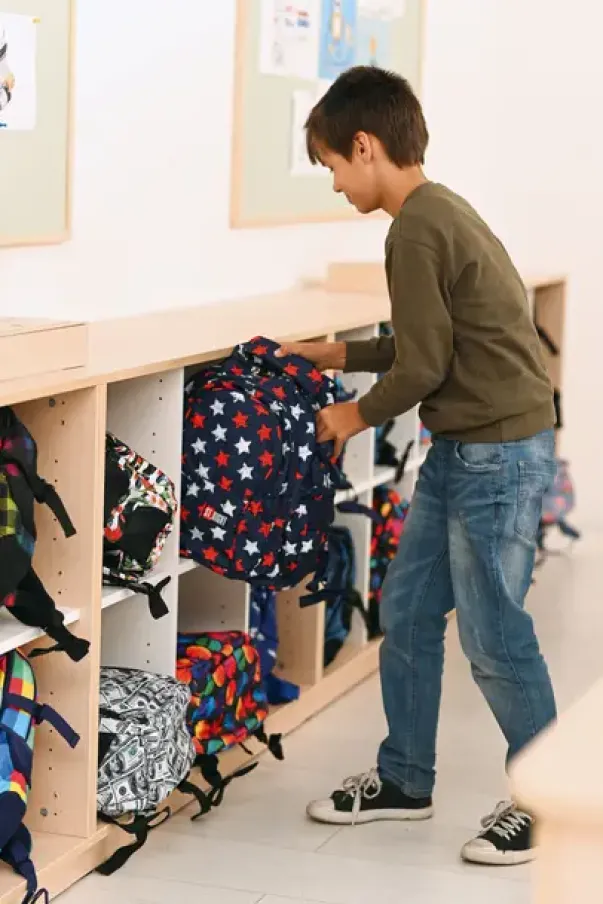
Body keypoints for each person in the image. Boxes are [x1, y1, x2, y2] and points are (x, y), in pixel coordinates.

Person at [276, 65, 556, 866]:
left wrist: (348, 414)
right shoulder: (439, 211)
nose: (335, 183)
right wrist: (341, 354)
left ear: (365, 146)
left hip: (494, 455)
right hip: (466, 448)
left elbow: (423, 367)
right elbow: (435, 341)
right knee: (405, 612)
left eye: (332, 164)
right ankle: (404, 780)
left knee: (494, 635)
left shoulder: (414, 230)